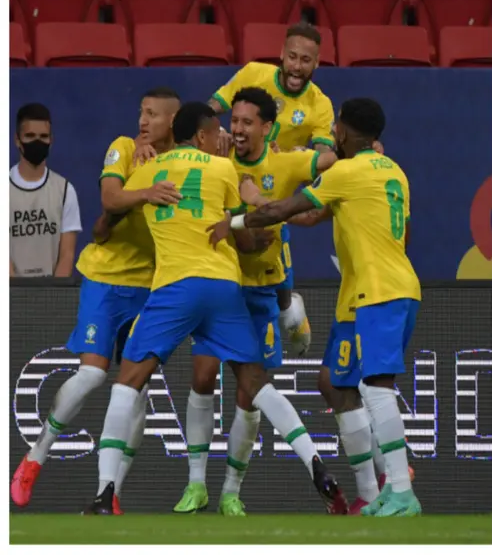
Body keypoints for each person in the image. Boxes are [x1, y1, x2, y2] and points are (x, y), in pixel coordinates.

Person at [86, 102, 342, 515]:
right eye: (218, 130)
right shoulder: (224, 169)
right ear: (203, 135)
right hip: (224, 286)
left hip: (175, 287)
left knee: (127, 382)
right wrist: (255, 239)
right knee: (256, 383)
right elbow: (243, 237)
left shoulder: (150, 169)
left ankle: (104, 491)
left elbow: (112, 203)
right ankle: (316, 464)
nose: (223, 137)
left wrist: (141, 186)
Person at [211, 97, 423, 517]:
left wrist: (241, 210)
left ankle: (401, 490)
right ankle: (372, 493)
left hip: (380, 291)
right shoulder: (392, 171)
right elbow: (312, 216)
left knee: (375, 387)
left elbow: (281, 209)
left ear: (343, 131)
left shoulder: (346, 171)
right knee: (335, 382)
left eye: (336, 128)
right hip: (371, 291)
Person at [170, 87, 344, 516]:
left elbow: (330, 161)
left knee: (249, 394)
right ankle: (196, 485)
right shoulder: (217, 159)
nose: (238, 129)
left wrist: (344, 148)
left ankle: (231, 491)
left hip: (263, 287)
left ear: (267, 128)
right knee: (202, 376)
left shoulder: (283, 162)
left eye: (248, 122)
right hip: (224, 286)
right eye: (235, 120)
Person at [10, 89, 181, 514]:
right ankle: (36, 455)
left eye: (152, 114)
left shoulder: (182, 162)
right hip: (105, 279)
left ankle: (110, 492)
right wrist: (146, 190)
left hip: (151, 286)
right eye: (140, 112)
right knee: (91, 375)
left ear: (172, 122)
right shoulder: (123, 148)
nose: (142, 121)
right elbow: (109, 198)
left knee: (137, 392)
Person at [208, 22, 338, 360]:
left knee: (281, 293)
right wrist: (213, 130)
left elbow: (325, 154)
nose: (297, 66)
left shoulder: (320, 104)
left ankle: (288, 307)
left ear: (317, 63)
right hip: (236, 183)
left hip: (274, 196)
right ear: (281, 54)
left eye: (306, 60)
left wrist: (301, 156)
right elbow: (211, 110)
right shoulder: (253, 73)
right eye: (292, 57)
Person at [9, 103, 81, 277]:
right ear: (17, 140)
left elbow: (67, 255)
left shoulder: (65, 191)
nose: (37, 142)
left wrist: (52, 291)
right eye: (30, 136)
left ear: (51, 140)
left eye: (43, 136)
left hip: (51, 291)